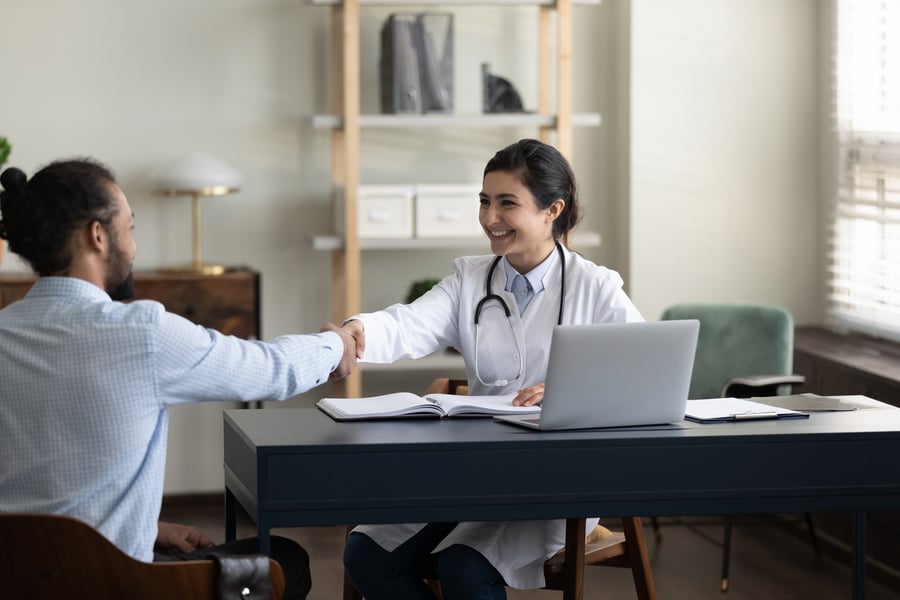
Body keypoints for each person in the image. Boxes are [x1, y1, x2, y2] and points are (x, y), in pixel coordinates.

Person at [0, 158, 361, 600]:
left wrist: (146, 527)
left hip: (19, 581)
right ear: (97, 235)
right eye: (128, 229)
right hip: (123, 584)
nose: (133, 247)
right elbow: (268, 369)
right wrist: (336, 347)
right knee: (286, 559)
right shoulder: (140, 333)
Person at [339, 138, 644, 599]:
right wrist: (354, 331)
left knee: (465, 566)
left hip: (560, 480)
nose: (489, 218)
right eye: (484, 201)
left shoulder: (594, 287)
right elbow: (407, 324)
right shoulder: (470, 279)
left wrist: (572, 388)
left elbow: (644, 369)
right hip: (475, 473)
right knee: (365, 551)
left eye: (506, 203)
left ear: (551, 210)